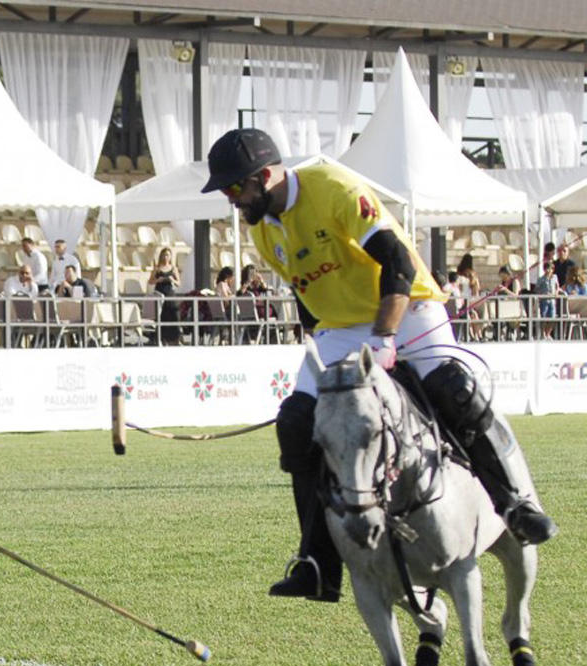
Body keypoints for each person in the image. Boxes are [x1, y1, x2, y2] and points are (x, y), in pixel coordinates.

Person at [202, 127, 556, 603]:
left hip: (407, 310)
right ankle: (317, 564)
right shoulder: (262, 228)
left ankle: (514, 505)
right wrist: (322, 360)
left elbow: (397, 262)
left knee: (456, 392)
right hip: (340, 328)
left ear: (264, 177)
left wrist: (386, 337)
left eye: (234, 188)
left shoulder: (335, 188)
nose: (231, 199)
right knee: (296, 424)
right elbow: (306, 296)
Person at [149, 247, 181, 344]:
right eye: (164, 255)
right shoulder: (157, 268)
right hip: (160, 291)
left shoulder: (173, 268)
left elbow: (179, 283)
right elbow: (150, 281)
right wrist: (158, 280)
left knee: (173, 314)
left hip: (170, 293)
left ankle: (175, 338)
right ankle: (162, 338)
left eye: (168, 255)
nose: (166, 257)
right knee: (162, 315)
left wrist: (172, 280)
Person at [534, 260, 563, 340]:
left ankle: (547, 333)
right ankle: (543, 334)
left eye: (550, 269)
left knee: (553, 318)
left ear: (552, 269)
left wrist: (556, 293)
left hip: (552, 301)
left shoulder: (555, 277)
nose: (548, 270)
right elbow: (536, 289)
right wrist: (543, 294)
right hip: (544, 300)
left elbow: (557, 286)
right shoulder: (541, 279)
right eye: (546, 269)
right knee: (544, 317)